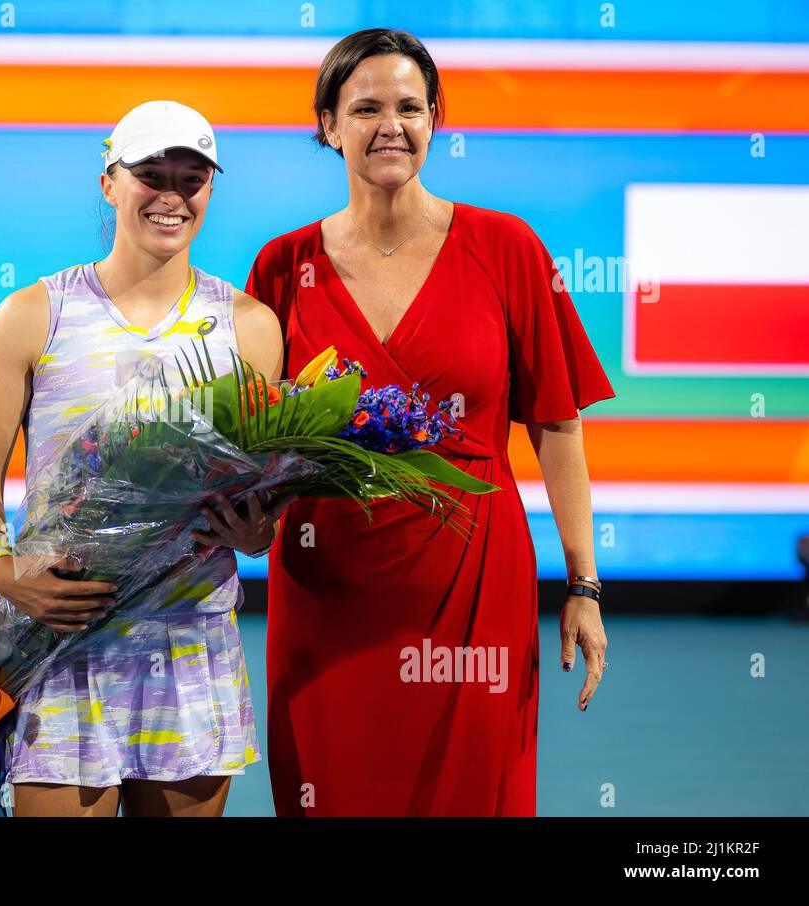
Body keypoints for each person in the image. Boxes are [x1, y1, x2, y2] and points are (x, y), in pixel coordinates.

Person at [245, 29, 614, 816]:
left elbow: (558, 428)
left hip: (475, 587)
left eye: (411, 107)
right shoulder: (281, 267)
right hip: (327, 591)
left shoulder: (508, 247)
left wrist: (583, 582)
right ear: (326, 124)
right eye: (366, 107)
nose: (392, 125)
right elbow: (257, 441)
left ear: (437, 118)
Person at [0, 100, 290, 817]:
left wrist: (256, 533)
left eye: (191, 179)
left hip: (192, 645)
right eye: (151, 174)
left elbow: (258, 510)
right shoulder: (29, 317)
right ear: (109, 182)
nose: (172, 195)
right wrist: (7, 574)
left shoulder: (252, 329)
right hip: (63, 644)